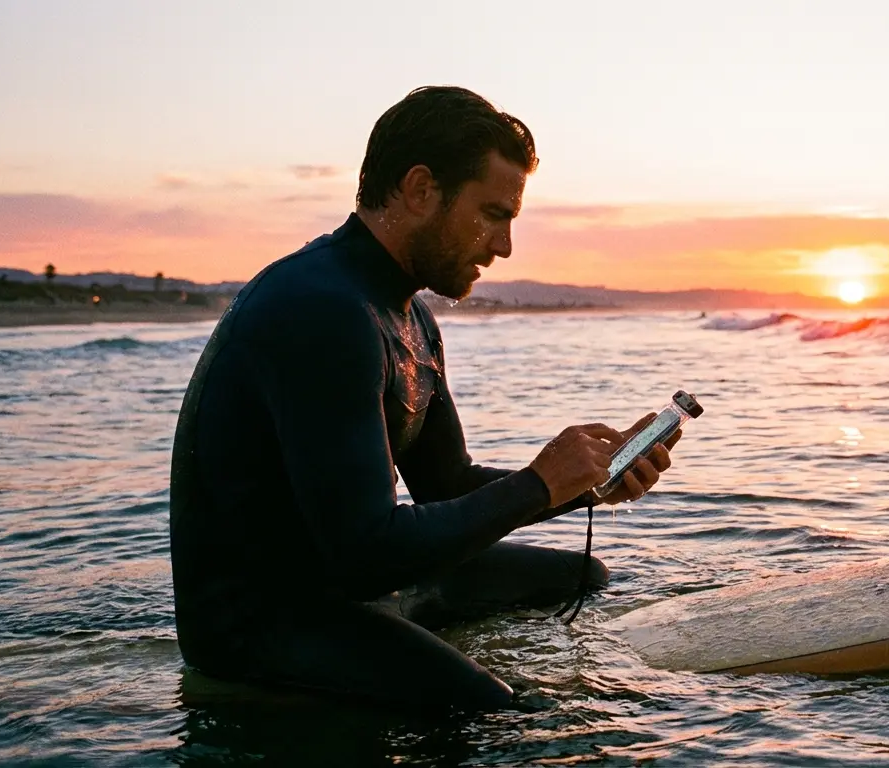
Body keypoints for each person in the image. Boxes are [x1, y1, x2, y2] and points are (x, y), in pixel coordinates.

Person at [167, 85, 681, 714]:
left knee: (580, 578)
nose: (504, 245)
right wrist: (538, 485)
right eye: (492, 213)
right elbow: (366, 555)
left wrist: (589, 480)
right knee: (498, 711)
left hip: (366, 586)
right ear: (419, 189)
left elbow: (447, 483)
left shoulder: (409, 316)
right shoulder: (320, 310)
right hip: (265, 624)